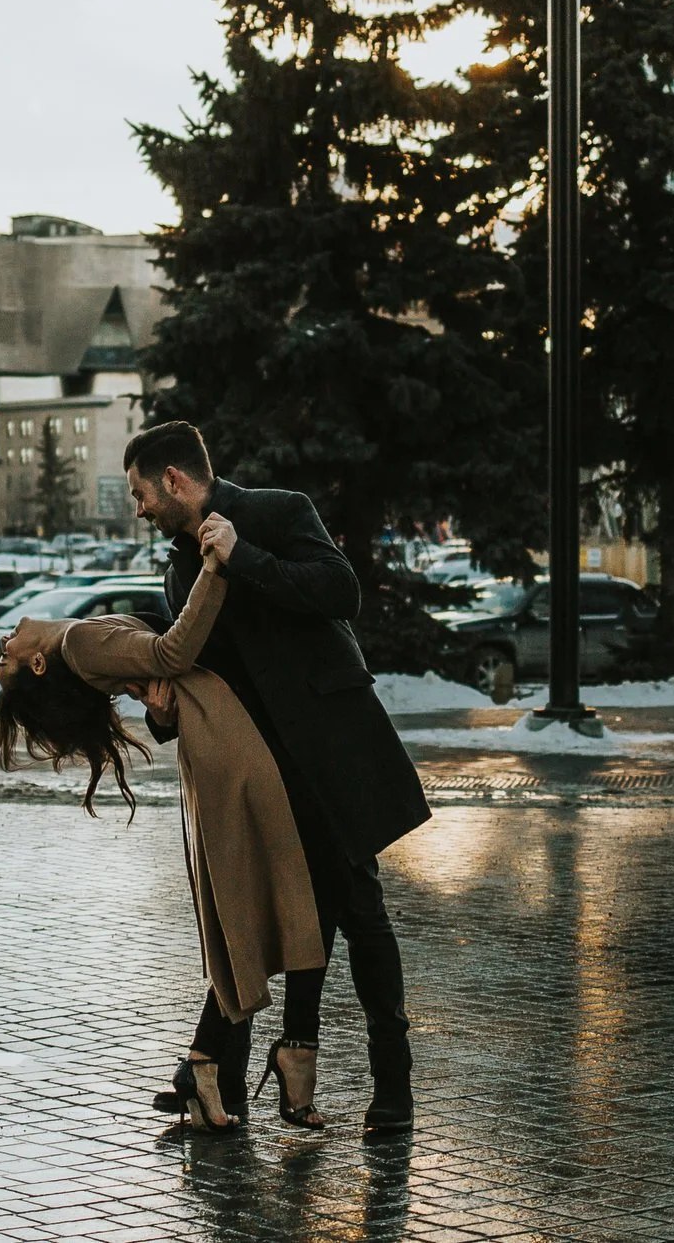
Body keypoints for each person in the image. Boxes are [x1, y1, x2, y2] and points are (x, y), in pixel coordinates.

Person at [124, 420, 430, 1135]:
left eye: (140, 492)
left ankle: (395, 1087)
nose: (137, 507)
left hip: (335, 757)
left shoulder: (277, 510)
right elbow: (198, 674)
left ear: (175, 480)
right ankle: (236, 1070)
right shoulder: (178, 565)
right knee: (264, 917)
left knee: (361, 913)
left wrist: (245, 557)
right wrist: (164, 715)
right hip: (262, 778)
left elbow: (340, 591)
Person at [0, 542, 330, 1132]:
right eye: (7, 660)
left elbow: (161, 667)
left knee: (251, 905)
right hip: (228, 736)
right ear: (39, 665)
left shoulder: (78, 644)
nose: (4, 646)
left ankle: (208, 1067)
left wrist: (161, 707)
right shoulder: (76, 642)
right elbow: (174, 649)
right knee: (282, 894)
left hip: (215, 737)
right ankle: (229, 1062)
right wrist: (215, 564)